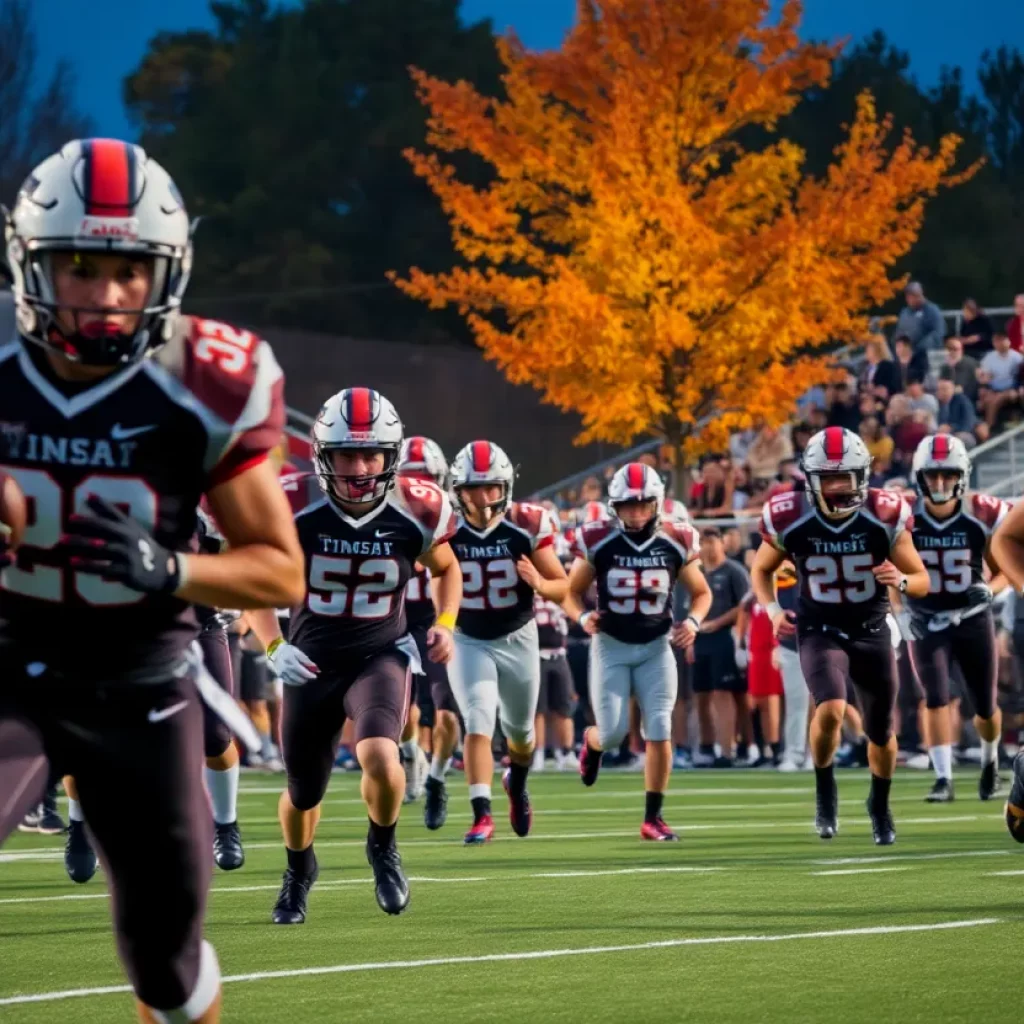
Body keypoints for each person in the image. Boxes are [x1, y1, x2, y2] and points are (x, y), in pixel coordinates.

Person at [0, 138, 305, 1024]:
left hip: (141, 681)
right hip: (10, 661)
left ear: (165, 274)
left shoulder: (206, 378)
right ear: (29, 262)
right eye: (79, 268)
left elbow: (278, 566)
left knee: (165, 966)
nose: (103, 297)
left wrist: (173, 568)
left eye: (128, 271)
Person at [249, 389, 462, 923]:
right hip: (310, 659)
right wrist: (273, 645)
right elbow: (253, 582)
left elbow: (447, 568)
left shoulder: (417, 507)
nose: (361, 467)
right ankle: (298, 871)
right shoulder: (291, 503)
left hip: (379, 653)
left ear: (392, 455)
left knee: (380, 757)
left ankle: (383, 847)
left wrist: (446, 623)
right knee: (302, 791)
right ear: (323, 455)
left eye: (372, 454)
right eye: (347, 454)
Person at [751, 427, 929, 846]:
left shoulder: (884, 514)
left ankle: (879, 805)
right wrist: (773, 609)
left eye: (846, 477)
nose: (837, 487)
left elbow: (921, 579)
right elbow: (761, 570)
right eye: (829, 478)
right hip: (819, 629)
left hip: (871, 629)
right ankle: (824, 791)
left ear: (862, 477)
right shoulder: (790, 515)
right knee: (830, 708)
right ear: (811, 479)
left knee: (881, 731)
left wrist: (900, 580)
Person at [565, 462, 711, 838]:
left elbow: (702, 593)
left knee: (660, 725)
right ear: (615, 506)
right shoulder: (599, 539)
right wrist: (582, 618)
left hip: (656, 646)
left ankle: (653, 817)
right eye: (628, 505)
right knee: (613, 732)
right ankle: (592, 742)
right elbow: (570, 591)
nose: (635, 512)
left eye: (643, 504)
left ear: (657, 503)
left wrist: (692, 623)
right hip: (610, 645)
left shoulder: (677, 538)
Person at [446, 440, 568, 844]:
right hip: (468, 639)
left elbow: (563, 587)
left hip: (518, 636)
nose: (482, 498)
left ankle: (516, 784)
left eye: (491, 488)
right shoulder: (445, 526)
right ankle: (482, 814)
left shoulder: (527, 524)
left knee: (520, 733)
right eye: (472, 489)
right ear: (456, 490)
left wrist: (539, 582)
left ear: (505, 488)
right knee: (478, 719)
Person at [904, 435, 1008, 803]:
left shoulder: (982, 512)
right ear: (920, 477)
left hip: (973, 617)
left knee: (984, 704)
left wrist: (991, 590)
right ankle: (943, 777)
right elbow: (884, 566)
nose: (940, 483)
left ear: (962, 475)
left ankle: (990, 761)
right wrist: (900, 613)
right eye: (932, 476)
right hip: (925, 617)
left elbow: (1005, 567)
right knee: (934, 697)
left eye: (948, 475)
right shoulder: (903, 516)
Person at [396, 435, 461, 829]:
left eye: (428, 478)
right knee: (402, 710)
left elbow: (453, 572)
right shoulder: (387, 515)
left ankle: (436, 780)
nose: (422, 487)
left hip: (439, 625)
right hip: (396, 622)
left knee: (447, 714)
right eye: (412, 477)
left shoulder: (452, 516)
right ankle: (408, 752)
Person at [691, 527, 751, 766]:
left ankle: (730, 750)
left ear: (722, 544)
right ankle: (706, 748)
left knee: (725, 694)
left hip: (725, 637)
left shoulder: (734, 571)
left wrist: (717, 623)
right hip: (699, 639)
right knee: (702, 695)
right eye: (704, 542)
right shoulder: (695, 573)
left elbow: (745, 605)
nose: (708, 546)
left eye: (712, 541)